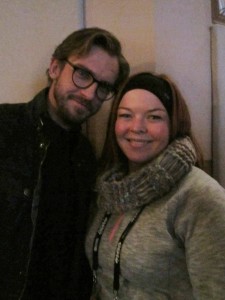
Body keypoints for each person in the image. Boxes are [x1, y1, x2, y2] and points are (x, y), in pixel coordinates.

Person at [0, 27, 129, 300]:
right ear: (55, 67)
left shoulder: (87, 157)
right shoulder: (5, 127)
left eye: (103, 86)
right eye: (83, 73)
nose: (90, 93)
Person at [85, 72, 225, 299]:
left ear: (173, 124)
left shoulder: (200, 196)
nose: (137, 127)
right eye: (126, 115)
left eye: (154, 117)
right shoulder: (109, 190)